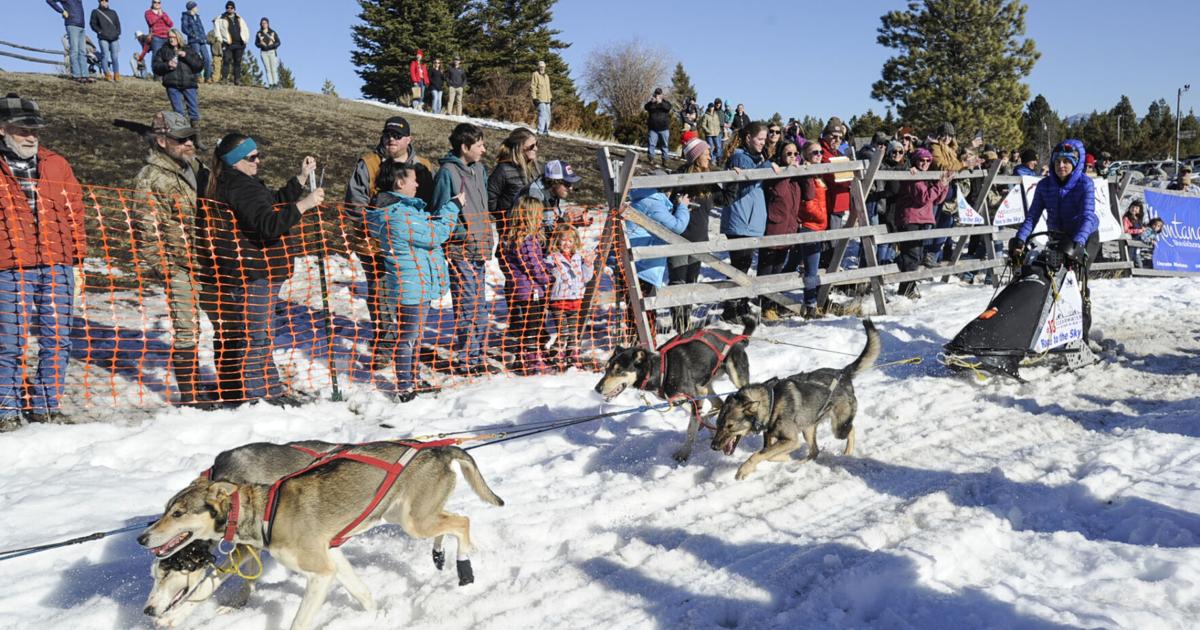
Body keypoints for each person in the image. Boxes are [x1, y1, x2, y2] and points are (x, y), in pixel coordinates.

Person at [200, 133, 324, 405]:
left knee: (262, 337)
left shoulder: (242, 183)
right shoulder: (241, 187)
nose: (259, 160)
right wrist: (304, 205)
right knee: (256, 339)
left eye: (258, 154)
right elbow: (268, 225)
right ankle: (258, 398)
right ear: (235, 162)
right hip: (254, 273)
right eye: (252, 157)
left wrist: (300, 180)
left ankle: (270, 392)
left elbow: (273, 201)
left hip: (257, 271)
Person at [0, 94, 86, 430]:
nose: (31, 136)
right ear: (3, 129)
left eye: (35, 129)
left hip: (56, 263)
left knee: (58, 338)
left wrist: (76, 256)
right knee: (9, 340)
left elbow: (74, 210)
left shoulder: (56, 164)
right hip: (9, 267)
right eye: (23, 129)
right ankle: (6, 410)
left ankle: (46, 405)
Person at [132, 112, 215, 407]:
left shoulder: (196, 167)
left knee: (220, 320)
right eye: (182, 139)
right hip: (178, 265)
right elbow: (147, 230)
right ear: (162, 141)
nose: (189, 143)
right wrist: (165, 269)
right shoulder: (151, 178)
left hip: (208, 260)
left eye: (191, 137)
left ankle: (222, 383)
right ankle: (191, 397)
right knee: (186, 328)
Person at [365, 160, 462, 402]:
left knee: (415, 336)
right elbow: (435, 235)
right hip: (411, 284)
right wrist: (453, 207)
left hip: (419, 281)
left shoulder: (408, 211)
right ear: (399, 182)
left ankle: (413, 379)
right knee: (408, 336)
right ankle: (404, 387)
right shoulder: (397, 216)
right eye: (413, 178)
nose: (418, 183)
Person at [344, 116, 435, 371]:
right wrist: (376, 228)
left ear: (409, 139)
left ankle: (410, 344)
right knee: (381, 292)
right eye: (387, 135)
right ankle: (385, 342)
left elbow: (431, 202)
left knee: (411, 294)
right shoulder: (369, 163)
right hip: (374, 243)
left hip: (412, 245)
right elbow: (354, 203)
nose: (391, 139)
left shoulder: (423, 166)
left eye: (397, 135)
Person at [1009, 139, 1100, 339]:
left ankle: (1081, 335)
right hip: (1058, 235)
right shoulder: (1044, 186)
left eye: (1066, 162)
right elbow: (1032, 216)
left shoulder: (1085, 184)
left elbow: (1087, 216)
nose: (1061, 166)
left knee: (1075, 282)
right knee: (1049, 279)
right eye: (1057, 161)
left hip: (1085, 235)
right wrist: (1020, 238)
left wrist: (1078, 243)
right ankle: (1047, 330)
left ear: (1075, 164)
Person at [430, 123, 493, 376]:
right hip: (461, 248)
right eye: (479, 145)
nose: (483, 150)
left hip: (480, 246)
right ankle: (467, 359)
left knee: (480, 307)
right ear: (465, 147)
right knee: (467, 306)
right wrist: (456, 232)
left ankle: (478, 355)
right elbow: (438, 209)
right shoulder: (448, 172)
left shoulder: (479, 169)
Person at [720, 121, 781, 321]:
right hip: (740, 219)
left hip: (751, 220)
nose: (764, 142)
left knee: (744, 265)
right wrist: (766, 165)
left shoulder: (758, 157)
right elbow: (748, 182)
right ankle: (730, 308)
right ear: (748, 138)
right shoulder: (740, 156)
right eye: (760, 138)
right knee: (739, 265)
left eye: (765, 139)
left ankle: (741, 304)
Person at [499, 196, 552, 375]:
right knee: (533, 324)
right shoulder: (526, 239)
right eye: (538, 214)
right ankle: (531, 358)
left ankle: (523, 357)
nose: (541, 218)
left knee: (527, 324)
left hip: (520, 288)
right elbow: (532, 264)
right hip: (530, 289)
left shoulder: (511, 236)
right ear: (529, 215)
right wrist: (548, 277)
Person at [894, 147, 954, 299]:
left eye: (928, 160)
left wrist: (944, 185)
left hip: (923, 219)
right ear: (915, 160)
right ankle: (905, 290)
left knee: (917, 256)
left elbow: (938, 200)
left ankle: (907, 287)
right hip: (910, 219)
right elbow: (924, 198)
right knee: (912, 256)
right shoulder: (914, 176)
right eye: (922, 160)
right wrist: (940, 184)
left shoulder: (926, 176)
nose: (925, 163)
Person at [757, 140, 801, 320]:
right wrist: (787, 172)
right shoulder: (775, 172)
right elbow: (779, 192)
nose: (792, 157)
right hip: (774, 226)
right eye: (788, 154)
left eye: (795, 153)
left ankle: (773, 303)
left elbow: (809, 194)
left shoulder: (795, 175)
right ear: (781, 155)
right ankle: (764, 305)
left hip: (789, 227)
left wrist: (801, 173)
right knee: (767, 268)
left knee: (778, 268)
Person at [545, 223, 593, 367]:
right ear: (557, 240)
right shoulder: (552, 257)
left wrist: (588, 265)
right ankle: (555, 352)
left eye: (570, 241)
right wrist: (553, 269)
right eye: (563, 240)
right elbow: (548, 274)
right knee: (563, 331)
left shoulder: (578, 257)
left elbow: (585, 277)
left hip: (575, 299)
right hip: (559, 300)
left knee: (573, 332)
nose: (567, 243)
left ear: (574, 242)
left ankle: (572, 355)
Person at [153, 30, 203, 133]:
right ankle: (184, 137)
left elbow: (199, 66)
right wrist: (167, 65)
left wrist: (186, 56)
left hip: (189, 84)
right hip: (172, 85)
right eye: (169, 37)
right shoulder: (163, 51)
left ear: (178, 37)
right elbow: (155, 67)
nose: (171, 39)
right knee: (178, 113)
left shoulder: (189, 50)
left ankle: (197, 138)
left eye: (173, 37)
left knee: (194, 112)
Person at [487, 127, 539, 226]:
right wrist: (502, 218)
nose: (536, 148)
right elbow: (490, 197)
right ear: (520, 146)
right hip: (510, 226)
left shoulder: (534, 169)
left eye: (537, 144)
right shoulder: (503, 169)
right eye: (532, 146)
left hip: (531, 224)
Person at [527, 159, 588, 234]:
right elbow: (534, 231)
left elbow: (551, 223)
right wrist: (564, 221)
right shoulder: (535, 195)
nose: (571, 188)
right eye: (567, 184)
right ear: (554, 181)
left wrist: (574, 222)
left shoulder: (553, 192)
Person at [47, 0, 90, 82]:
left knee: (82, 51)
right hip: (72, 24)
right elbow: (50, 1)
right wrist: (62, 11)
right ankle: (76, 75)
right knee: (74, 50)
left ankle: (85, 75)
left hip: (81, 25)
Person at [216, 1, 248, 85]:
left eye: (231, 8)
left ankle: (237, 80)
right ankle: (224, 79)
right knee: (226, 60)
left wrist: (245, 40)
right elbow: (217, 30)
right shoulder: (221, 18)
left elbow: (245, 29)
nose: (229, 9)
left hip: (239, 44)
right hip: (228, 44)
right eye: (228, 7)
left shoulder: (239, 18)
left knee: (237, 62)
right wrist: (220, 40)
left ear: (234, 9)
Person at [90, 0, 122, 81]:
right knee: (105, 56)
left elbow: (118, 24)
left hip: (114, 38)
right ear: (99, 2)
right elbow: (92, 24)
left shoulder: (113, 12)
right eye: (102, 1)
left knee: (115, 57)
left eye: (106, 1)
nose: (104, 2)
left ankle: (116, 74)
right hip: (103, 38)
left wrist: (118, 33)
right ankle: (107, 74)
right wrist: (99, 31)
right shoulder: (95, 12)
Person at [180, 2, 211, 83]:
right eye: (196, 7)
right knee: (195, 59)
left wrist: (204, 37)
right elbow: (184, 28)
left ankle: (207, 77)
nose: (197, 8)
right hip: (194, 41)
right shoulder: (185, 16)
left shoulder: (197, 17)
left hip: (202, 40)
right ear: (192, 8)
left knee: (207, 58)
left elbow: (201, 28)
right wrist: (192, 35)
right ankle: (197, 77)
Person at [644, 88, 673, 167]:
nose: (658, 96)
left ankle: (665, 160)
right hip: (653, 128)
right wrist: (651, 102)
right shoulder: (651, 104)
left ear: (662, 95)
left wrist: (660, 102)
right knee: (651, 144)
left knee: (664, 145)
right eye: (656, 94)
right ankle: (651, 159)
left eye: (659, 94)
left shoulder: (665, 103)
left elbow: (668, 108)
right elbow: (646, 107)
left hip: (664, 128)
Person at [255, 17, 281, 89]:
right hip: (263, 53)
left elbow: (278, 42)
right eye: (262, 23)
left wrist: (271, 46)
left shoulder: (272, 32)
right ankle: (271, 84)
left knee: (273, 68)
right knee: (267, 69)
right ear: (261, 24)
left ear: (268, 24)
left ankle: (275, 83)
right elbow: (256, 43)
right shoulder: (259, 33)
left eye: (265, 23)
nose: (264, 24)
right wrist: (261, 45)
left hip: (272, 52)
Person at [531, 60, 552, 135]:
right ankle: (540, 131)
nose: (542, 68)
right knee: (542, 114)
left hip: (547, 99)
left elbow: (548, 88)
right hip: (540, 98)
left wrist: (550, 98)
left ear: (545, 67)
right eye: (540, 66)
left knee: (548, 115)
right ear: (538, 67)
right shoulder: (535, 74)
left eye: (543, 66)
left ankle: (545, 131)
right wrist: (534, 98)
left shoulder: (547, 76)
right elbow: (533, 86)